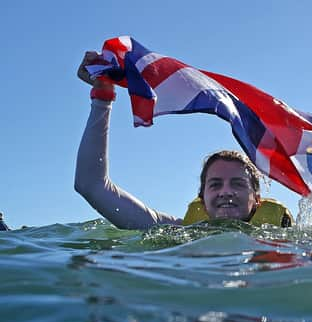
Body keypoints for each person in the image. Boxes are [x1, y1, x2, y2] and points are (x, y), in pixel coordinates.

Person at [75, 51, 292, 230]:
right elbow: (91, 185)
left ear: (257, 198)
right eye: (215, 184)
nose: (226, 191)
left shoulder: (283, 238)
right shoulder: (179, 233)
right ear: (202, 197)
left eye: (238, 183)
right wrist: (102, 99)